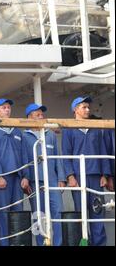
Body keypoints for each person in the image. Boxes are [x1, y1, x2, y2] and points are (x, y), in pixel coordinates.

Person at [62, 96, 111, 246]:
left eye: (88, 107)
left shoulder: (96, 128)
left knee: (98, 212)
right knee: (81, 213)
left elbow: (103, 151)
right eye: (84, 107)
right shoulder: (68, 128)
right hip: (78, 176)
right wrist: (70, 176)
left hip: (96, 176)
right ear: (75, 109)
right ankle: (83, 243)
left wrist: (105, 174)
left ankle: (100, 244)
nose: (88, 110)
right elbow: (65, 153)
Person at [0, 98, 29, 246]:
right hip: (3, 179)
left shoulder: (17, 130)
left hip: (18, 178)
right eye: (3, 107)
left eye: (8, 107)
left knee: (18, 213)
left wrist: (25, 176)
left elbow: (24, 155)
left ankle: (18, 243)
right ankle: (5, 244)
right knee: (3, 214)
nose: (7, 110)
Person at [22, 103, 65, 246]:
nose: (41, 116)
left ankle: (57, 243)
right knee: (38, 216)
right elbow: (23, 159)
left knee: (57, 212)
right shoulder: (24, 136)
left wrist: (61, 178)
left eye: (42, 113)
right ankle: (41, 244)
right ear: (29, 117)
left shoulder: (50, 134)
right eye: (37, 114)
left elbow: (57, 157)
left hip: (52, 181)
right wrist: (26, 178)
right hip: (35, 182)